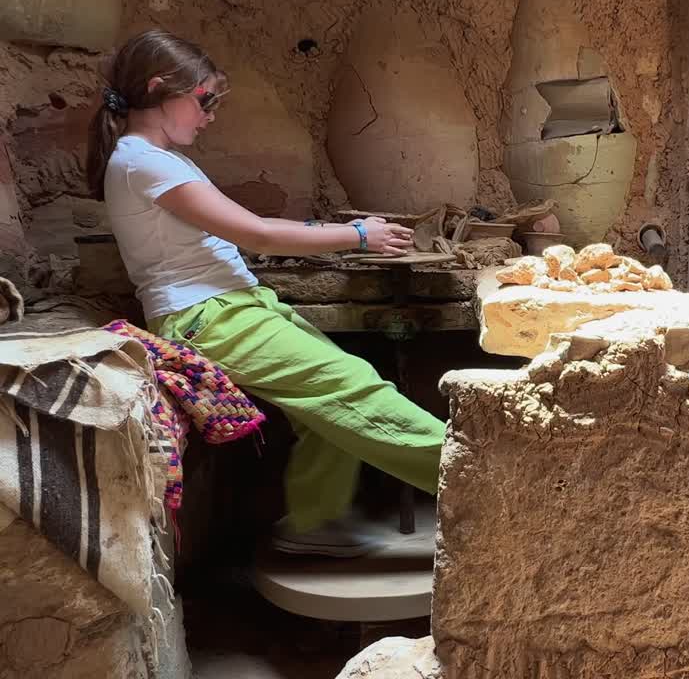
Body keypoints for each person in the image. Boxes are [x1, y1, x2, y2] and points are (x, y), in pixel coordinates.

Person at [87, 29, 446, 558]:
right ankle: (490, 481)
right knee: (353, 389)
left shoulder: (157, 158)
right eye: (204, 100)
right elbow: (254, 233)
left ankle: (314, 523)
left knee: (328, 407)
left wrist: (326, 230)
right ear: (159, 88)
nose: (209, 115)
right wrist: (358, 236)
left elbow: (241, 227)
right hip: (205, 315)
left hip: (231, 305)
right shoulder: (143, 161)